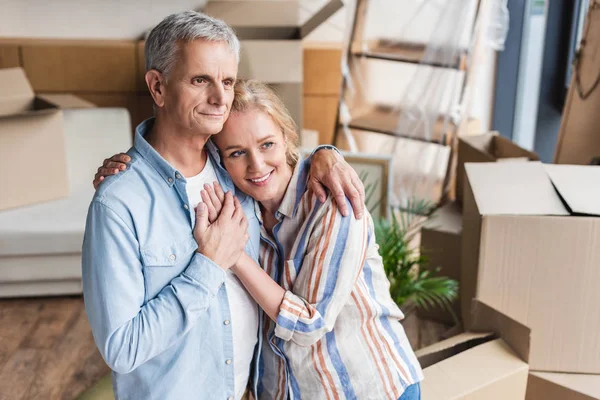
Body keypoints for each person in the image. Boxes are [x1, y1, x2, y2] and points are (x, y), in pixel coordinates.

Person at [83, 11, 365, 400]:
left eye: (227, 81)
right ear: (158, 87)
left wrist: (325, 154)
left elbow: (271, 152)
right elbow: (123, 348)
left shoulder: (234, 169)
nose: (219, 98)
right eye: (200, 80)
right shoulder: (118, 204)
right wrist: (210, 263)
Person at [95, 79, 424, 399]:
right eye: (237, 153)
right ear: (220, 159)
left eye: (267, 144)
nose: (257, 165)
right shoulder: (239, 200)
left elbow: (309, 324)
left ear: (286, 137)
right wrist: (131, 176)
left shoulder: (333, 204)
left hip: (368, 389)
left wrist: (233, 253)